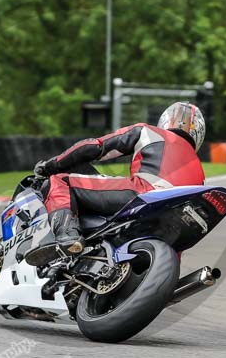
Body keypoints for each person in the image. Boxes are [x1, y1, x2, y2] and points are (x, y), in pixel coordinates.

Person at [25, 102, 207, 267]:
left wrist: (51, 165)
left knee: (61, 180)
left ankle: (68, 236)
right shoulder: (200, 171)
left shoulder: (149, 131)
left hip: (145, 191)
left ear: (166, 120)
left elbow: (94, 147)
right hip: (175, 224)